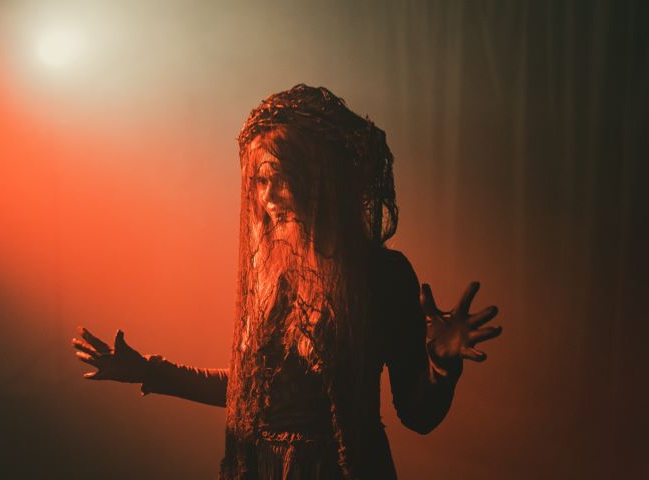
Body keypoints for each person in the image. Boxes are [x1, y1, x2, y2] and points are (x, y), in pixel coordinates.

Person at [72, 84, 502, 479]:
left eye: (283, 177)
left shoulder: (382, 274)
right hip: (261, 468)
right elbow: (251, 392)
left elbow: (418, 414)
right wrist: (149, 371)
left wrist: (441, 364)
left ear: (322, 181)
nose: (268, 197)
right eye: (261, 181)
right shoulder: (267, 270)